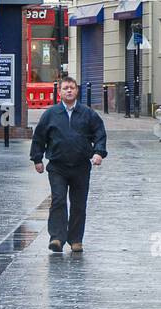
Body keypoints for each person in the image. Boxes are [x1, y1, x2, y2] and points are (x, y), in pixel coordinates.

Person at [29, 76, 107, 253]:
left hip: (81, 166)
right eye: (65, 88)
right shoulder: (51, 114)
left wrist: (98, 152)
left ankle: (76, 240)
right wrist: (37, 159)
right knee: (58, 200)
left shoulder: (88, 114)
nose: (69, 91)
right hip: (58, 166)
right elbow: (39, 136)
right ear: (60, 92)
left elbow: (99, 134)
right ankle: (57, 237)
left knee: (79, 203)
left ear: (77, 90)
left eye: (72, 87)